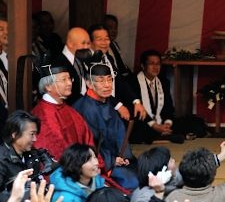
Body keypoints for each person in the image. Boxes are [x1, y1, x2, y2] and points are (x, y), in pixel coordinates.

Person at [72, 56, 138, 191]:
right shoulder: (85, 109)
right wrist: (112, 160)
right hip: (99, 162)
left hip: (116, 157)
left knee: (145, 170)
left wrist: (123, 155)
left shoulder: (106, 101)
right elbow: (88, 144)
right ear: (89, 84)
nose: (107, 85)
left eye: (109, 79)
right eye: (101, 81)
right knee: (134, 182)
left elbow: (119, 132)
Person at [31, 58, 100, 164]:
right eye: (63, 80)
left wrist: (93, 161)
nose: (69, 83)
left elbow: (86, 137)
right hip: (65, 171)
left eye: (69, 78)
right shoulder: (43, 115)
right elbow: (55, 151)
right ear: (48, 86)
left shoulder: (67, 109)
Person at [87, 23, 146, 121]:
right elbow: (97, 90)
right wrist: (118, 106)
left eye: (106, 39)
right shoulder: (88, 62)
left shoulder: (108, 58)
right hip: (98, 109)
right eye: (100, 39)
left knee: (139, 116)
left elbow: (120, 81)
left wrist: (136, 101)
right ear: (91, 42)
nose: (104, 42)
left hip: (114, 105)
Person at [128, 49, 187, 144]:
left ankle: (163, 134)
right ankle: (163, 136)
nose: (155, 67)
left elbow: (168, 107)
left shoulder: (164, 82)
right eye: (151, 64)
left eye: (158, 64)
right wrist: (154, 125)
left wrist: (167, 123)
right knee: (140, 129)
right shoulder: (133, 82)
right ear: (143, 66)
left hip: (160, 121)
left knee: (186, 123)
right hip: (143, 122)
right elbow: (135, 110)